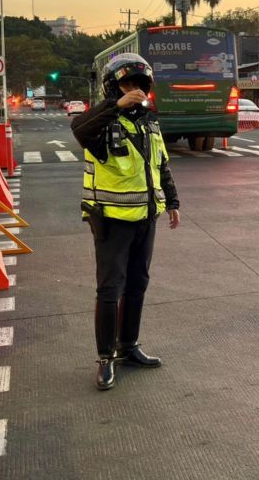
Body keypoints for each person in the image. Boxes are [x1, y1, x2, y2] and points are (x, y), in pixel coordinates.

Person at [71, 53, 181, 391]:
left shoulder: (150, 122)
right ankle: (105, 357)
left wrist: (172, 201)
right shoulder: (102, 123)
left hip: (145, 218)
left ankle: (129, 346)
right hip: (111, 221)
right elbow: (79, 128)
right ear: (111, 87)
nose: (135, 91)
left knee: (137, 285)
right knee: (109, 290)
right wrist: (116, 105)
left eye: (139, 85)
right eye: (126, 85)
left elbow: (160, 163)